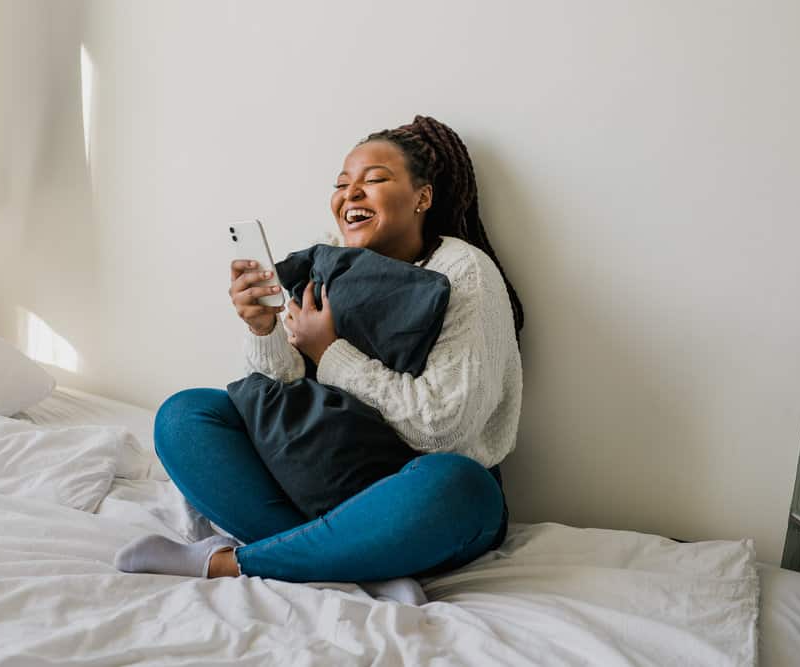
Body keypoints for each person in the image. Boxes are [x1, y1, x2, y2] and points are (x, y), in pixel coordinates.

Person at [114, 116, 524, 592]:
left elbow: (444, 428)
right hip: (318, 470)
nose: (351, 194)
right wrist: (264, 328)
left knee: (460, 485)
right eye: (342, 184)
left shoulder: (464, 271)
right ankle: (353, 562)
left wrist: (330, 352)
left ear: (423, 197)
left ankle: (235, 563)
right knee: (184, 415)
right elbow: (276, 398)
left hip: (410, 489)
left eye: (374, 180)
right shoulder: (327, 259)